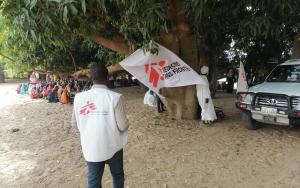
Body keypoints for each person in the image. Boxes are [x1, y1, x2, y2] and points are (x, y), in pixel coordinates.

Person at [71, 63, 129, 188]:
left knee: (94, 181)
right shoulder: (115, 98)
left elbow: (74, 124)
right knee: (118, 175)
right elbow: (123, 126)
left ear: (91, 78)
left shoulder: (79, 98)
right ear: (107, 78)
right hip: (113, 146)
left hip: (91, 147)